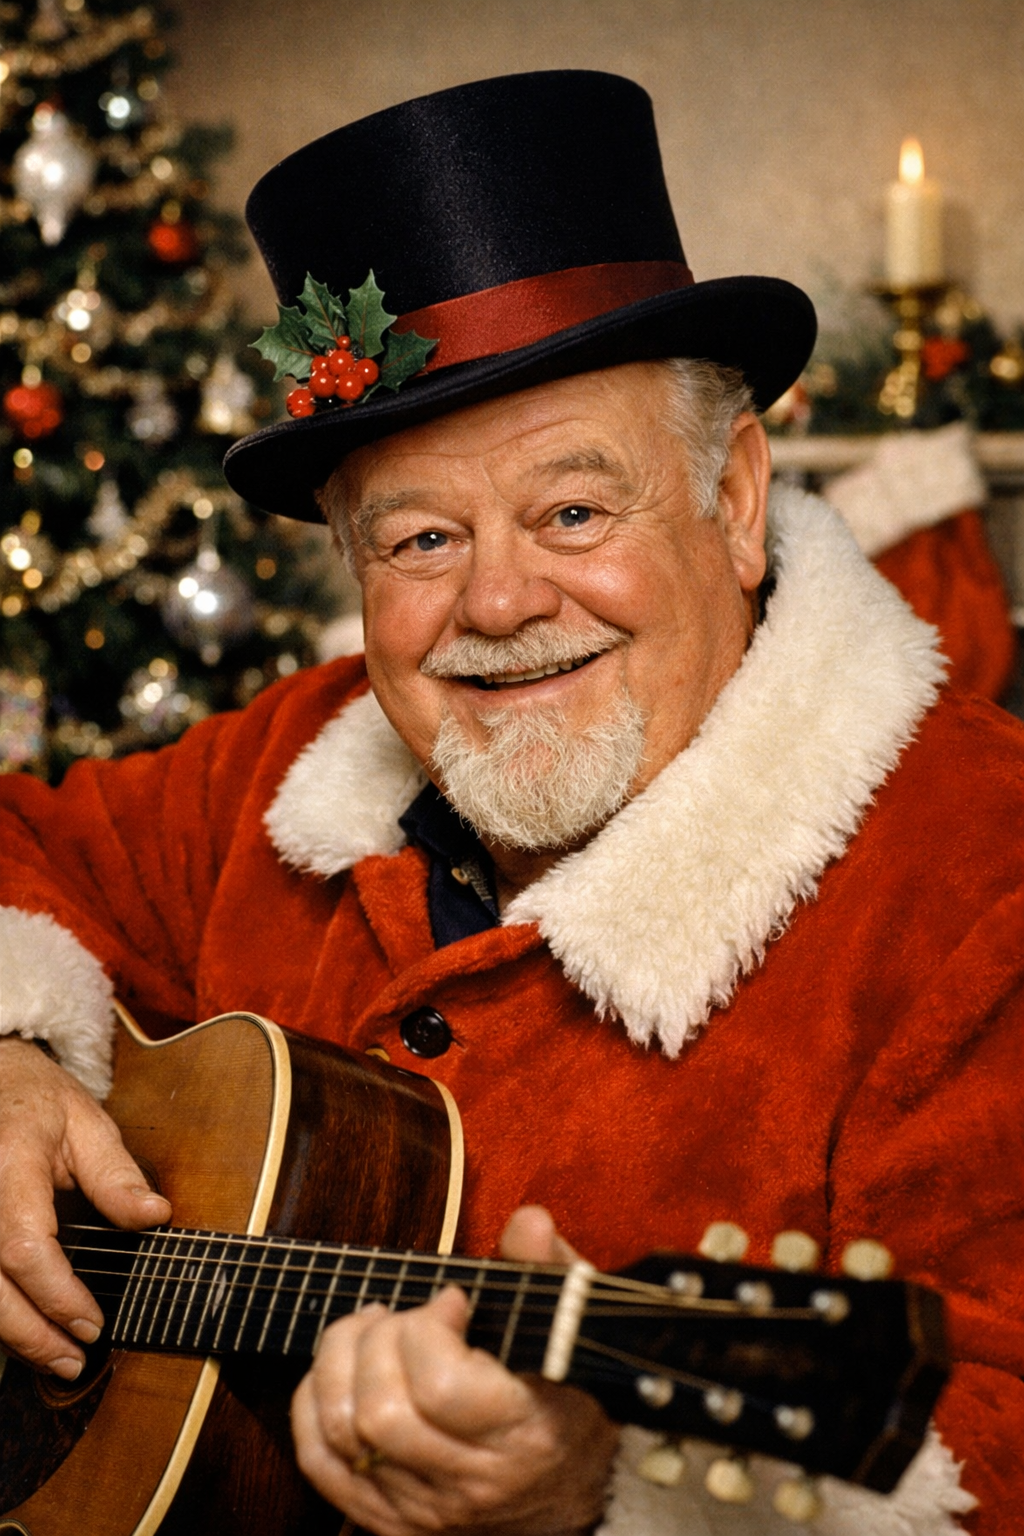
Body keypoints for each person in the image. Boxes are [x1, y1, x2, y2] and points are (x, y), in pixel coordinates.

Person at [1, 70, 1022, 1536]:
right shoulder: (282, 762)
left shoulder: (983, 876)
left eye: (573, 512)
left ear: (733, 500)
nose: (494, 602)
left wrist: (605, 1498)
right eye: (421, 537)